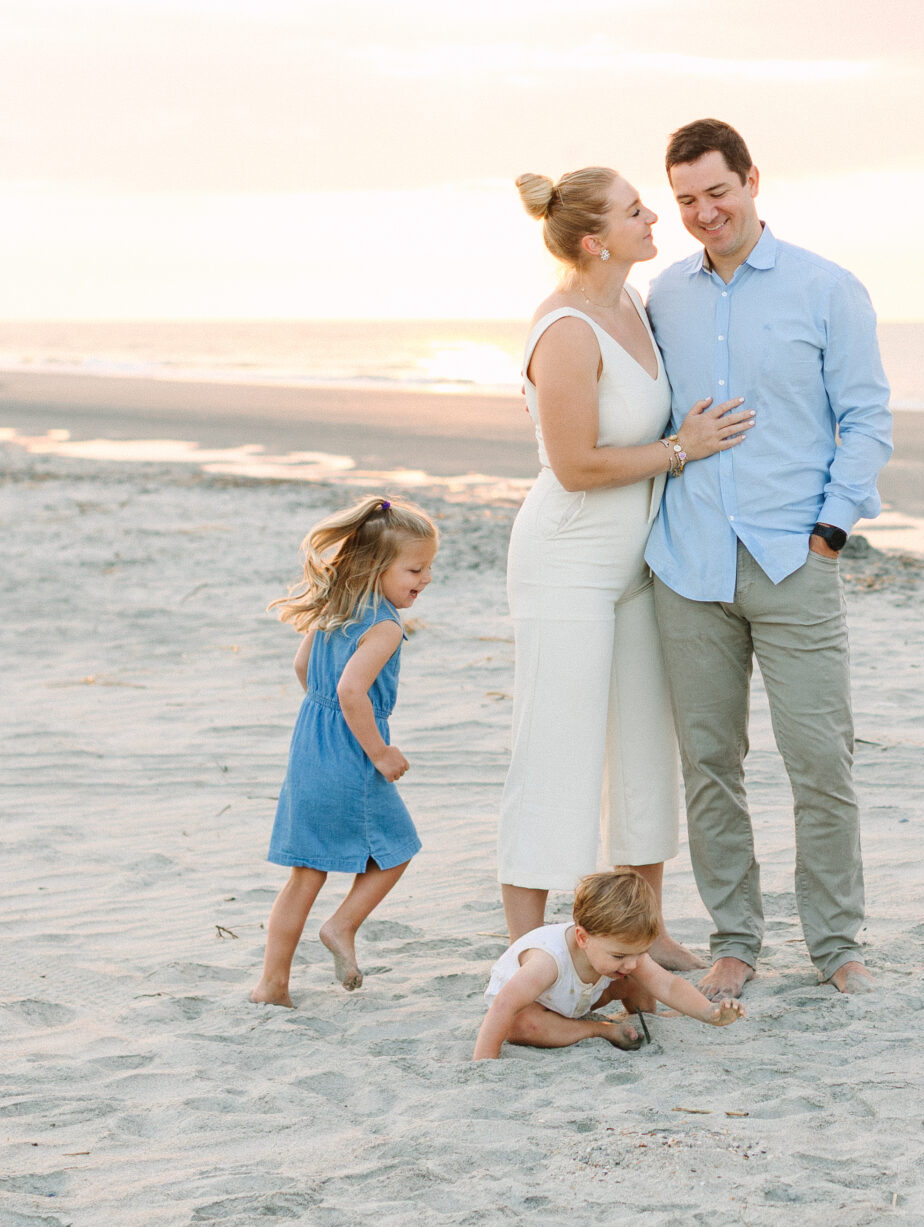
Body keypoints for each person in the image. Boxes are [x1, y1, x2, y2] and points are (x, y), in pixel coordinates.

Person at [646, 119, 893, 1001]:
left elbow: (866, 418)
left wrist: (830, 531)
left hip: (795, 559)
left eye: (718, 192)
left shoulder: (827, 288)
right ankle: (735, 939)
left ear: (753, 179)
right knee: (710, 763)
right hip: (688, 564)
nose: (704, 213)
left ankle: (837, 946)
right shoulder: (662, 296)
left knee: (820, 760)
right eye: (685, 201)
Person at [500, 167, 755, 961]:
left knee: (646, 744)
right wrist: (683, 450)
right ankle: (529, 944)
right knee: (557, 745)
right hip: (567, 561)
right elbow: (574, 464)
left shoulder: (632, 305)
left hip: (637, 563)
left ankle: (645, 929)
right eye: (635, 211)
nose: (655, 219)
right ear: (593, 239)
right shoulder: (566, 328)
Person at [250, 495, 437, 1008]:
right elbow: (354, 692)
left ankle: (272, 985)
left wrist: (322, 717)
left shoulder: (335, 608)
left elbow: (303, 669)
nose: (424, 580)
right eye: (415, 569)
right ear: (377, 566)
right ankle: (341, 925)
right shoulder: (384, 626)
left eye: (428, 570)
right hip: (352, 756)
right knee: (397, 850)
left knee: (305, 874)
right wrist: (379, 752)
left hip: (310, 746)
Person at [473, 870, 746, 1059]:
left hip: (579, 998)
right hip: (535, 1005)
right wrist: (484, 1059)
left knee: (638, 976)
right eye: (619, 956)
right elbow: (504, 1005)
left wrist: (710, 1013)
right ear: (582, 938)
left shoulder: (621, 952)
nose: (629, 962)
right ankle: (600, 1030)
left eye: (638, 952)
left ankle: (645, 1014)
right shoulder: (547, 961)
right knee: (523, 1025)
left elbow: (669, 985)